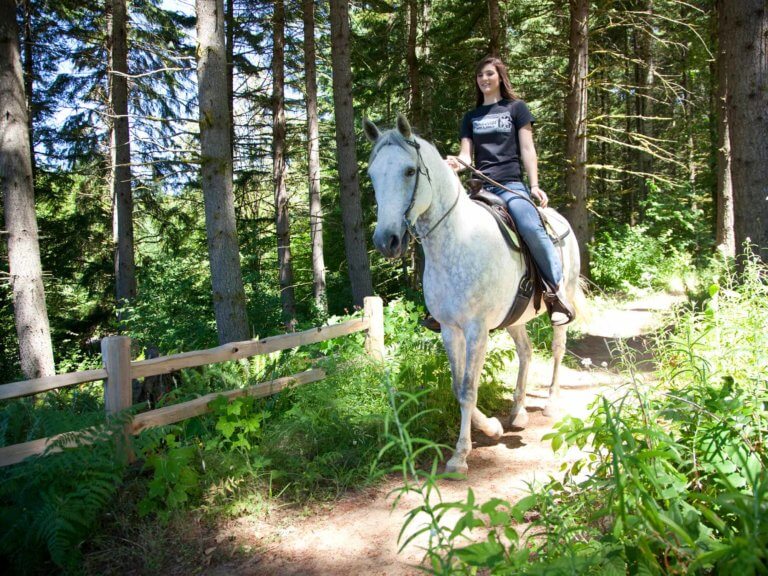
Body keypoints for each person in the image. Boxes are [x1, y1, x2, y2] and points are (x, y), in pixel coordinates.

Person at [442, 55, 575, 327]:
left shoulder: (517, 109)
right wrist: (457, 163)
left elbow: (528, 149)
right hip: (481, 187)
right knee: (449, 229)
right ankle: (445, 303)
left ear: (500, 77)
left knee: (529, 224)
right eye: (480, 75)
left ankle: (556, 293)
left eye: (489, 74)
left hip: (511, 185)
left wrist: (534, 185)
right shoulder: (471, 117)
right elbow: (467, 156)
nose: (484, 79)